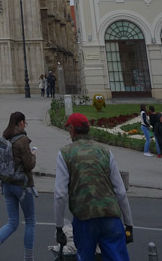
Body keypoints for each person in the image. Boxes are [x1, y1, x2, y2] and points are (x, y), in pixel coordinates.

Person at [54, 112, 133, 261]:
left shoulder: (65, 154)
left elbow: (60, 194)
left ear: (72, 129)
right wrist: (128, 224)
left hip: (84, 217)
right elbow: (120, 191)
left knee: (85, 256)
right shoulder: (105, 152)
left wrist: (59, 227)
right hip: (110, 215)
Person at [0, 111, 36, 261]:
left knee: (12, 222)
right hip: (22, 185)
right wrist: (33, 155)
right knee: (30, 222)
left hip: (6, 184)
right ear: (21, 123)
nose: (25, 125)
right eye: (25, 123)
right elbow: (29, 164)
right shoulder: (22, 140)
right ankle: (28, 259)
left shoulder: (5, 137)